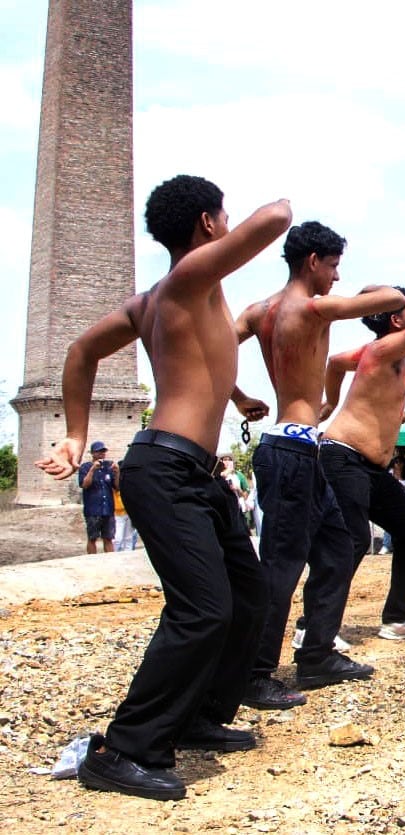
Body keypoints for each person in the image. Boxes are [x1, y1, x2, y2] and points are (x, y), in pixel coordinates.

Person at [36, 174, 287, 800]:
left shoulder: (166, 298)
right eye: (220, 214)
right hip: (166, 470)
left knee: (248, 595)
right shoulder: (185, 280)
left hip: (194, 472)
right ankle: (124, 749)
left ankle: (198, 717)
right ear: (207, 223)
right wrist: (75, 433)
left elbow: (87, 352)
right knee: (203, 608)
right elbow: (277, 216)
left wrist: (239, 396)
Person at [234, 221, 405, 710]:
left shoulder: (258, 311)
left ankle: (317, 655)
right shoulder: (313, 308)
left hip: (300, 447)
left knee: (339, 547)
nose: (336, 278)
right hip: (290, 454)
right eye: (333, 266)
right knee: (282, 566)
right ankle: (254, 674)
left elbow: (220, 348)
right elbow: (391, 300)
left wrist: (241, 396)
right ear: (313, 261)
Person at [321, 287, 405, 638]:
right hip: (343, 456)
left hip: (370, 468)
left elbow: (334, 363)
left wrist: (330, 403)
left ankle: (398, 617)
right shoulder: (384, 347)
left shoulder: (375, 352)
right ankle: (312, 629)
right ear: (396, 319)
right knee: (352, 539)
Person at [78, 441, 118, 554]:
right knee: (92, 537)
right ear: (92, 453)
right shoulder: (85, 467)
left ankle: (109, 561)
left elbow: (117, 487)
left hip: (108, 509)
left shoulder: (108, 467)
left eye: (103, 451)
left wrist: (117, 472)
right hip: (93, 509)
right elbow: (84, 485)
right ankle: (92, 560)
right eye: (99, 451)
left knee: (109, 537)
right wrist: (92, 470)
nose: (102, 454)